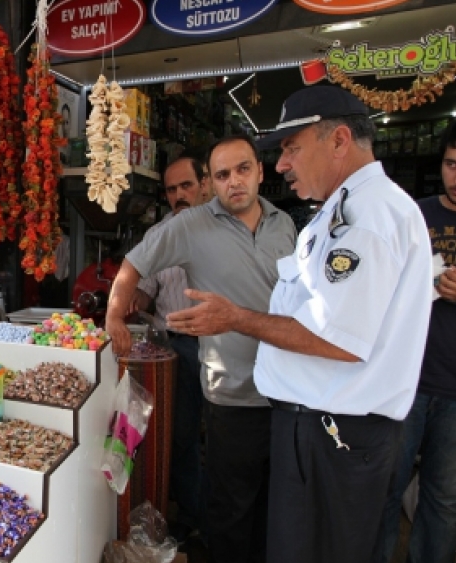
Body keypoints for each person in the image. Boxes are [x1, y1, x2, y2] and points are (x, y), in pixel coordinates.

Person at [167, 85, 433, 563]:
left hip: (336, 435)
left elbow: (337, 339)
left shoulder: (367, 218)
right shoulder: (337, 211)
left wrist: (236, 318)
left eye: (292, 148)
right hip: (315, 429)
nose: (284, 164)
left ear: (339, 140)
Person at [106, 133, 296, 563]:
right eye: (223, 174)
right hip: (233, 395)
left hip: (288, 391)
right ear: (212, 181)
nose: (234, 182)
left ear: (260, 172)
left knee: (276, 507)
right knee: (231, 511)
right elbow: (134, 263)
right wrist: (115, 317)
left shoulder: (284, 224)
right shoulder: (191, 225)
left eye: (243, 170)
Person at [380, 118, 456, 563]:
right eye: (451, 164)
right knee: (385, 491)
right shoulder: (415, 214)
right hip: (405, 381)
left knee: (445, 502)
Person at [127, 155, 209, 542]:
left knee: (230, 439)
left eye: (186, 186)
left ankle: (224, 522)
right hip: (175, 349)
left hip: (226, 346)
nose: (179, 196)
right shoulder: (159, 235)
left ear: (205, 184)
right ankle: (192, 515)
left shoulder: (224, 228)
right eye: (172, 189)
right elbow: (145, 294)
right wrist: (128, 302)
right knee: (180, 437)